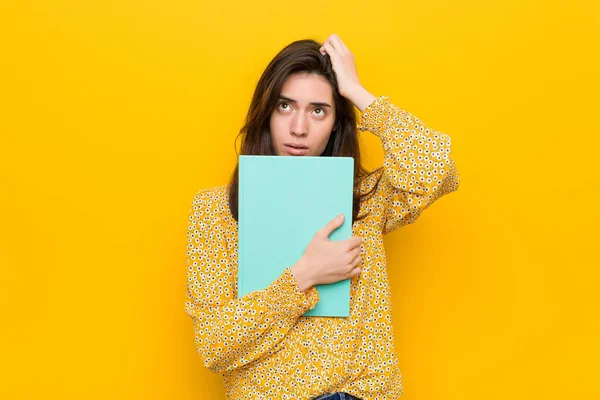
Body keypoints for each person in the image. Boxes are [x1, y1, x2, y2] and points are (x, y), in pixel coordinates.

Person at [184, 34, 460, 400]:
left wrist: (358, 93)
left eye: (319, 110)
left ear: (335, 123)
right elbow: (215, 346)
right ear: (265, 113)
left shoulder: (366, 200)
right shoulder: (215, 212)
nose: (299, 128)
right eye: (285, 106)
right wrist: (304, 276)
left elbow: (439, 170)